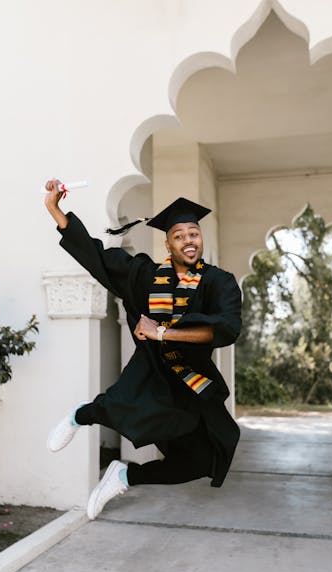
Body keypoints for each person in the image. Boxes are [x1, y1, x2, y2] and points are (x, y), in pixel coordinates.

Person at [44, 179, 242, 520]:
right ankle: (79, 416)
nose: (188, 240)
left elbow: (225, 327)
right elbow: (98, 258)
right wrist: (54, 209)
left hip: (191, 379)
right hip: (151, 368)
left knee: (203, 460)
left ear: (200, 237)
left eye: (193, 233)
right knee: (120, 406)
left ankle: (124, 476)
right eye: (179, 235)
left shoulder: (218, 282)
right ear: (168, 244)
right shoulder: (146, 276)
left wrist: (162, 332)